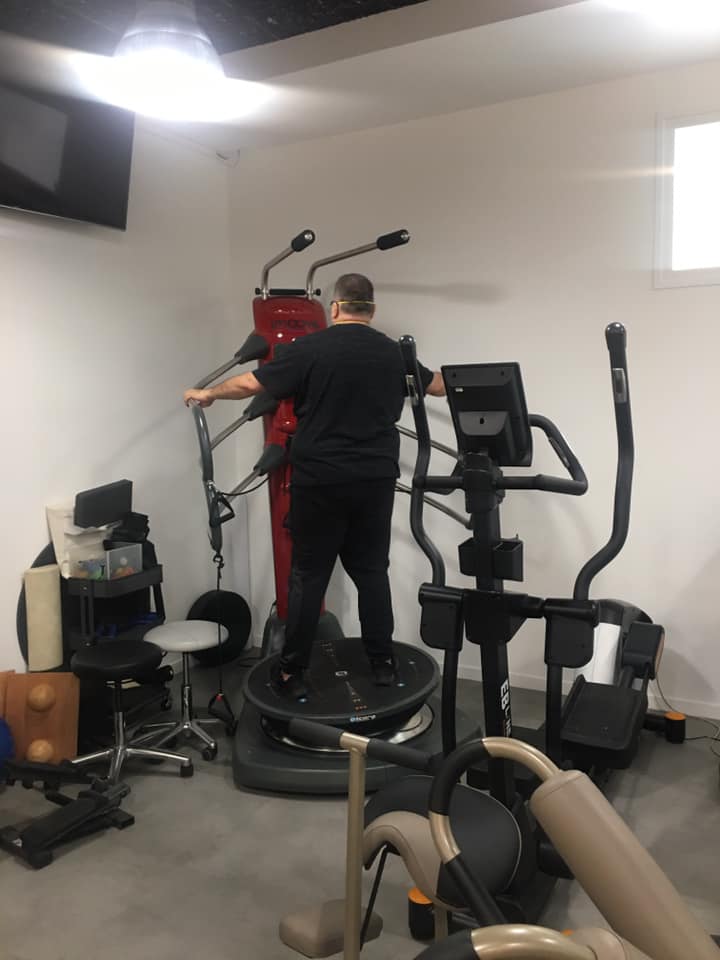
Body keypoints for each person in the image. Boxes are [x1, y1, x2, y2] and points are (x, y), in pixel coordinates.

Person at [184, 273, 445, 700]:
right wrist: (468, 382)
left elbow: (251, 384)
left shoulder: (308, 348)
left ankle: (292, 672)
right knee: (372, 574)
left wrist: (208, 393)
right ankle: (382, 664)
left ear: (335, 308)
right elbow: (436, 385)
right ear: (372, 310)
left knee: (308, 577)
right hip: (374, 481)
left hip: (320, 480)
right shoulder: (394, 353)